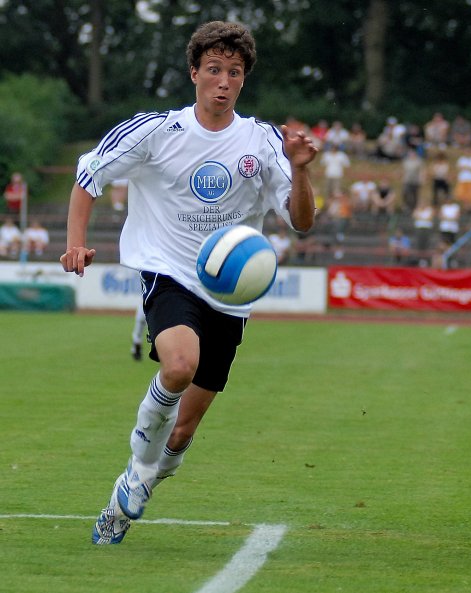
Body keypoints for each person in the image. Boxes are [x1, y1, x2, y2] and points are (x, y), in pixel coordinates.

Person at [59, 21, 318, 545]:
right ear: (194, 72)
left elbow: (302, 221)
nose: (224, 81)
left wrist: (301, 170)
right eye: (214, 69)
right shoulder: (155, 131)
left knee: (181, 433)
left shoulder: (263, 141)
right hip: (170, 271)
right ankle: (137, 467)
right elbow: (89, 175)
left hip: (230, 294)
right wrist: (75, 242)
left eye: (235, 72)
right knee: (179, 365)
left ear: (243, 80)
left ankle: (130, 492)